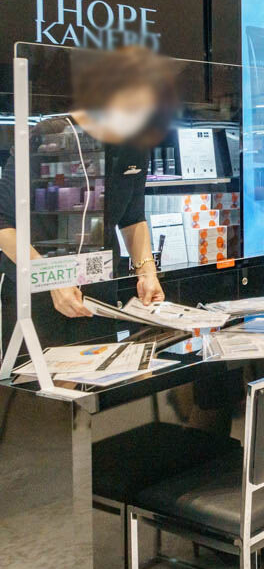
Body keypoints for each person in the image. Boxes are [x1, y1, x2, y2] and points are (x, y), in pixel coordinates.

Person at [0, 46, 170, 349]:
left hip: (99, 288)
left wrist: (146, 272)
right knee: (40, 377)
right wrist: (52, 279)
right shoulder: (48, 136)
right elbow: (4, 225)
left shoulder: (133, 145)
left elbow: (132, 218)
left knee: (98, 372)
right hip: (35, 292)